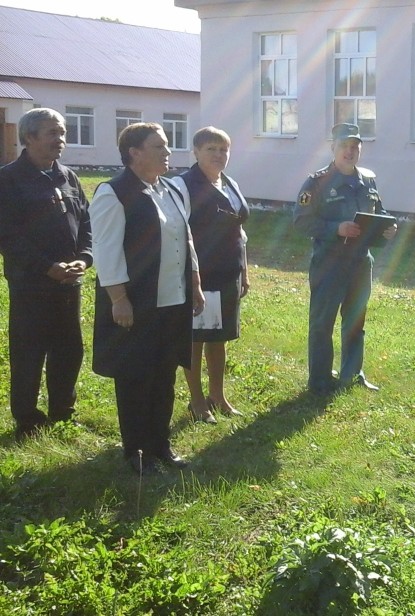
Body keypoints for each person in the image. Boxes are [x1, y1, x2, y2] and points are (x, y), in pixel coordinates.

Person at [91, 123, 205, 475]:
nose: (168, 152)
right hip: (136, 301)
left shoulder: (171, 189)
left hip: (173, 298)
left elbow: (185, 238)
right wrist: (118, 298)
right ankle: (137, 452)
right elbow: (106, 250)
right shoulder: (114, 193)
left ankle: (160, 444)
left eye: (167, 146)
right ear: (134, 152)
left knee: (165, 373)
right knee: (136, 376)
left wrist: (195, 280)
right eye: (159, 146)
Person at [0, 108, 92, 441]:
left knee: (69, 350)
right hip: (31, 285)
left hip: (68, 283)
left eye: (62, 132)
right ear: (29, 137)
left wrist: (84, 258)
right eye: (53, 133)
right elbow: (8, 236)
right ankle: (27, 419)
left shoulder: (68, 177)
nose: (61, 139)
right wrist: (46, 267)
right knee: (28, 352)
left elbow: (86, 222)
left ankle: (62, 412)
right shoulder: (9, 179)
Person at [294, 123, 397, 395]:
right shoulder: (316, 182)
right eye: (344, 146)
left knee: (355, 321)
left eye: (355, 147)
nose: (350, 151)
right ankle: (319, 381)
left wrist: (388, 227)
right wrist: (335, 229)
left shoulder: (367, 180)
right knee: (322, 323)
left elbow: (379, 211)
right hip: (329, 263)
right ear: (333, 148)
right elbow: (301, 221)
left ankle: (352, 373)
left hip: (360, 262)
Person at [170, 127, 249, 424]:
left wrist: (245, 271)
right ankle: (197, 401)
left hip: (229, 273)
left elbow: (239, 232)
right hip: (200, 275)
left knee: (220, 337)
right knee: (197, 338)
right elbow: (178, 233)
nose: (218, 155)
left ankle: (218, 396)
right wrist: (193, 280)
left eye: (223, 149)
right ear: (196, 152)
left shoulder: (229, 183)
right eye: (211, 149)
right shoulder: (183, 185)